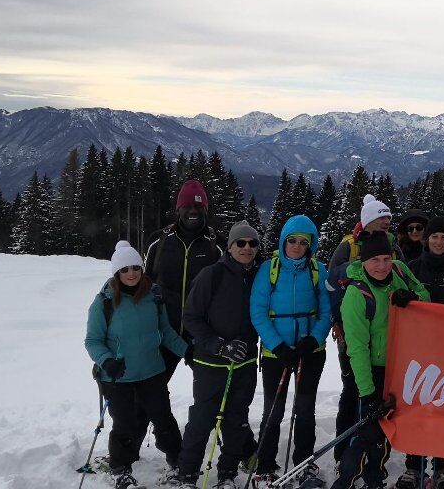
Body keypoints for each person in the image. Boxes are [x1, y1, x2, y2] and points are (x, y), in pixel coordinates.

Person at [85, 241, 190, 489]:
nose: (131, 273)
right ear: (116, 273)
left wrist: (188, 351)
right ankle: (121, 470)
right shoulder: (104, 302)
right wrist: (107, 361)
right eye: (125, 269)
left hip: (152, 371)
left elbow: (165, 331)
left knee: (164, 419)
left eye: (135, 267)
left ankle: (177, 460)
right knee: (125, 425)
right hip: (118, 376)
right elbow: (92, 341)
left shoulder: (153, 296)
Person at [332, 231, 431, 489]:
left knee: (385, 432)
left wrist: (414, 299)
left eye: (386, 258)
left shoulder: (399, 271)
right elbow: (357, 349)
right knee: (369, 432)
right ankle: (345, 481)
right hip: (373, 370)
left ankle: (374, 480)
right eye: (374, 260)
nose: (382, 266)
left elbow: (424, 294)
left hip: (402, 368)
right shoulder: (356, 295)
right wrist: (368, 394)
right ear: (363, 261)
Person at [168, 221, 263, 488]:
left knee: (236, 420)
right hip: (210, 362)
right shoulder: (212, 274)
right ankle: (187, 473)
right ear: (230, 247)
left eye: (252, 243)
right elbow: (191, 316)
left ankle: (227, 474)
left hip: (244, 362)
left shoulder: (259, 278)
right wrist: (218, 345)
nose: (246, 248)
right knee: (201, 420)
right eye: (240, 243)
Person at [249, 215, 331, 488]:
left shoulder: (318, 270)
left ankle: (304, 463)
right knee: (273, 411)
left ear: (311, 245)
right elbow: (258, 312)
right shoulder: (268, 270)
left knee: (305, 410)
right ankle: (265, 466)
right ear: (284, 240)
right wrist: (278, 345)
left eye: (303, 242)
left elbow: (327, 311)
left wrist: (313, 339)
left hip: (310, 353)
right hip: (277, 354)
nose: (297, 246)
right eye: (292, 240)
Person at [139, 179, 223, 441]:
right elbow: (142, 285)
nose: (193, 211)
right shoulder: (158, 242)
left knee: (215, 397)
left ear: (206, 209)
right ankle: (129, 450)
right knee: (150, 394)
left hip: (203, 335)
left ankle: (239, 450)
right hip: (165, 334)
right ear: (178, 209)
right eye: (187, 206)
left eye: (198, 207)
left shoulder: (216, 244)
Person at [326, 194, 403, 467]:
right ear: (368, 221)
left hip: (384, 336)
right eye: (381, 219)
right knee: (352, 391)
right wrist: (338, 321)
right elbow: (331, 285)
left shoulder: (392, 247)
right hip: (352, 331)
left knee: (379, 396)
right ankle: (344, 451)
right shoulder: (348, 246)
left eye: (388, 219)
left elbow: (402, 279)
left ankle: (372, 456)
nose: (386, 223)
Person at [396, 215, 444, 489]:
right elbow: (397, 302)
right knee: (416, 408)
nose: (439, 242)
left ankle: (443, 468)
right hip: (418, 351)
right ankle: (413, 466)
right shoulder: (413, 268)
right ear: (426, 239)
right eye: (434, 237)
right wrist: (402, 300)